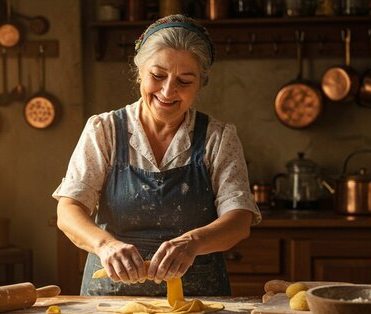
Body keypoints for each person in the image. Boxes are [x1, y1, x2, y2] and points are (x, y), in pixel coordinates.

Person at [53, 14, 261, 296]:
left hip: (199, 301)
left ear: (200, 83)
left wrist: (193, 243)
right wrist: (105, 245)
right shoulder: (104, 130)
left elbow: (239, 221)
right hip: (110, 299)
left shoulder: (218, 137)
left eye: (184, 81)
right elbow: (68, 211)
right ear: (139, 70)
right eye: (158, 75)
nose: (167, 91)